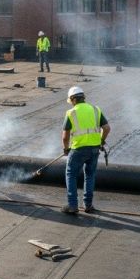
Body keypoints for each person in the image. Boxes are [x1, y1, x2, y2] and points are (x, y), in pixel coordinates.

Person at [61, 85, 110, 215]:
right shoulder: (95, 109)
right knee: (90, 175)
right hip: (94, 149)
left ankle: (72, 205)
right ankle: (88, 205)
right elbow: (107, 128)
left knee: (71, 174)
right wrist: (101, 141)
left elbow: (65, 137)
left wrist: (66, 149)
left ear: (73, 99)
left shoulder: (71, 113)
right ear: (83, 97)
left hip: (78, 149)